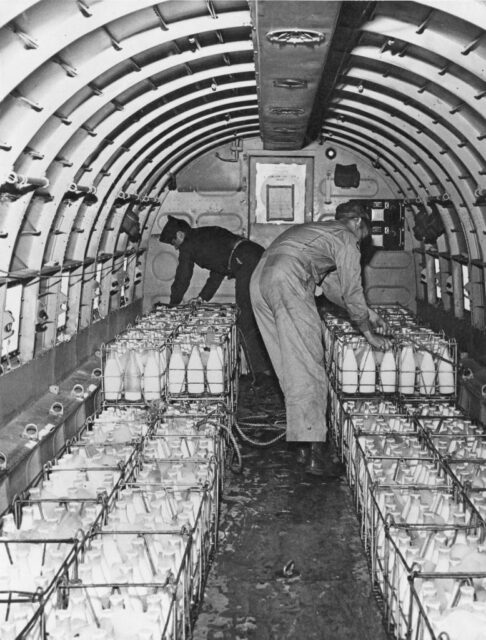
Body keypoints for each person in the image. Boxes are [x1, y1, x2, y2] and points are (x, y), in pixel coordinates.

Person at [249, 200, 392, 476]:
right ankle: (317, 457)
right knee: (309, 366)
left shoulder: (316, 232)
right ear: (359, 223)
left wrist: (369, 314)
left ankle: (302, 448)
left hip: (259, 281)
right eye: (365, 232)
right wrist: (369, 334)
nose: (364, 239)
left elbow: (330, 288)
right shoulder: (347, 239)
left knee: (290, 368)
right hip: (287, 280)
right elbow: (352, 290)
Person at [159, 215, 272, 382]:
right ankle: (265, 369)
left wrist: (173, 304)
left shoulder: (188, 245)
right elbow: (218, 271)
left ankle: (262, 374)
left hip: (245, 261)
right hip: (254, 254)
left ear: (180, 235)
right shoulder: (204, 236)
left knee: (244, 318)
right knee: (255, 314)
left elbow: (183, 276)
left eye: (173, 243)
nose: (176, 248)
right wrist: (202, 298)